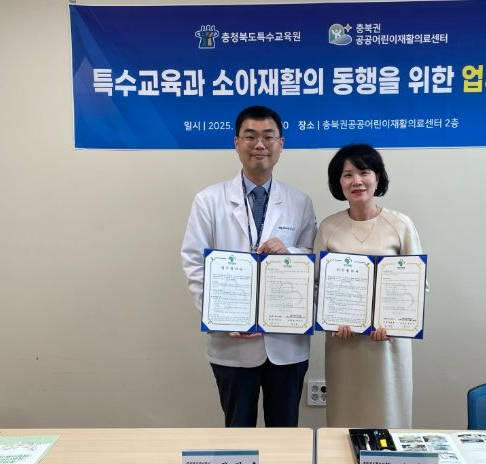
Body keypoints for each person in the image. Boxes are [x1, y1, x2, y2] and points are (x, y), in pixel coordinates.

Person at [181, 105, 317, 427]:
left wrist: (289, 252)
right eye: (250, 136)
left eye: (268, 136)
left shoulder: (300, 202)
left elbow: (312, 261)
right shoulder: (208, 200)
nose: (259, 144)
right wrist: (220, 317)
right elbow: (194, 262)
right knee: (238, 432)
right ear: (236, 143)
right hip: (233, 341)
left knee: (285, 433)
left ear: (281, 143)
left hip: (286, 342)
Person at [314, 144, 425, 428]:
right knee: (344, 418)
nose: (357, 181)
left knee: (389, 418)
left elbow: (417, 286)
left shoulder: (400, 225)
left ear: (377, 177)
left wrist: (394, 323)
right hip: (344, 343)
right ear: (338, 182)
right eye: (347, 174)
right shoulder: (328, 227)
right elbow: (315, 285)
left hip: (387, 343)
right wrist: (330, 318)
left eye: (364, 172)